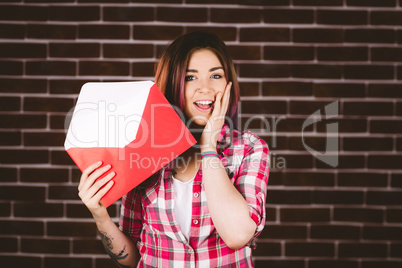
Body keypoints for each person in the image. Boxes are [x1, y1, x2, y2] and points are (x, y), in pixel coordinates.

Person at [78, 31, 270, 267]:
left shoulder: (249, 149)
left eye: (216, 75)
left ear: (229, 84)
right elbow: (132, 256)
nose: (205, 88)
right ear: (172, 84)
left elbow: (237, 235)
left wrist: (208, 146)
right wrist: (100, 215)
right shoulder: (143, 149)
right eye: (190, 78)